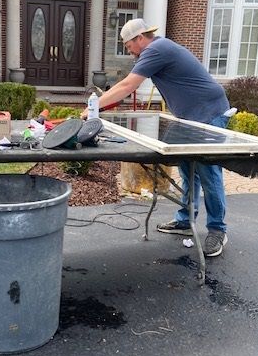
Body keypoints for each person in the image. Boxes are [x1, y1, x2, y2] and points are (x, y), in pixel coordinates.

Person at [81, 18, 232, 257]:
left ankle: (217, 230)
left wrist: (93, 108)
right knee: (187, 166)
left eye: (128, 45)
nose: (128, 50)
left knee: (207, 171)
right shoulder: (158, 49)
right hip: (192, 116)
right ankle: (185, 221)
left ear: (140, 38)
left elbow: (128, 85)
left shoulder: (156, 49)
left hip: (209, 113)